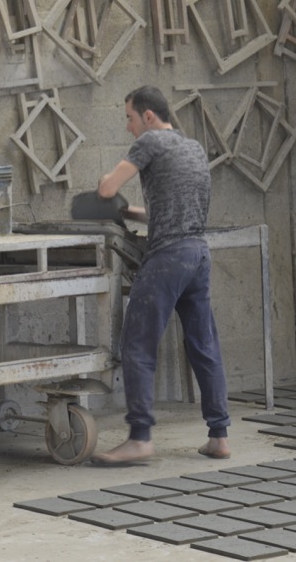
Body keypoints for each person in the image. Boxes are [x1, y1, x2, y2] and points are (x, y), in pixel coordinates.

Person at [92, 86, 231, 465]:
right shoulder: (193, 148)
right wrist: (129, 212)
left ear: (148, 116)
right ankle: (219, 436)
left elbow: (107, 188)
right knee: (204, 344)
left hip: (168, 256)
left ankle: (139, 438)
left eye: (130, 118)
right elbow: (171, 209)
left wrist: (105, 186)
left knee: (137, 344)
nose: (129, 127)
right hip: (197, 254)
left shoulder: (150, 141)